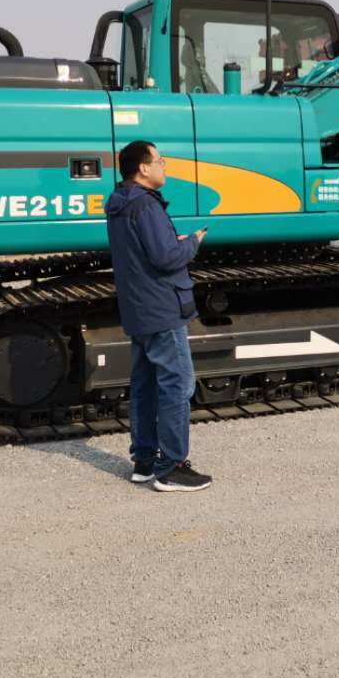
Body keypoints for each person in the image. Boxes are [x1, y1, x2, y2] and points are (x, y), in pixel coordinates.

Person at [105, 140, 212, 492]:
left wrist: (171, 242)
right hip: (162, 308)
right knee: (177, 384)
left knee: (146, 385)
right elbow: (166, 258)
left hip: (139, 307)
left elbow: (147, 251)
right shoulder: (146, 207)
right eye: (160, 161)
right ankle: (171, 467)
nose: (165, 166)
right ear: (143, 169)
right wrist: (192, 242)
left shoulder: (122, 203)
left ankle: (145, 461)